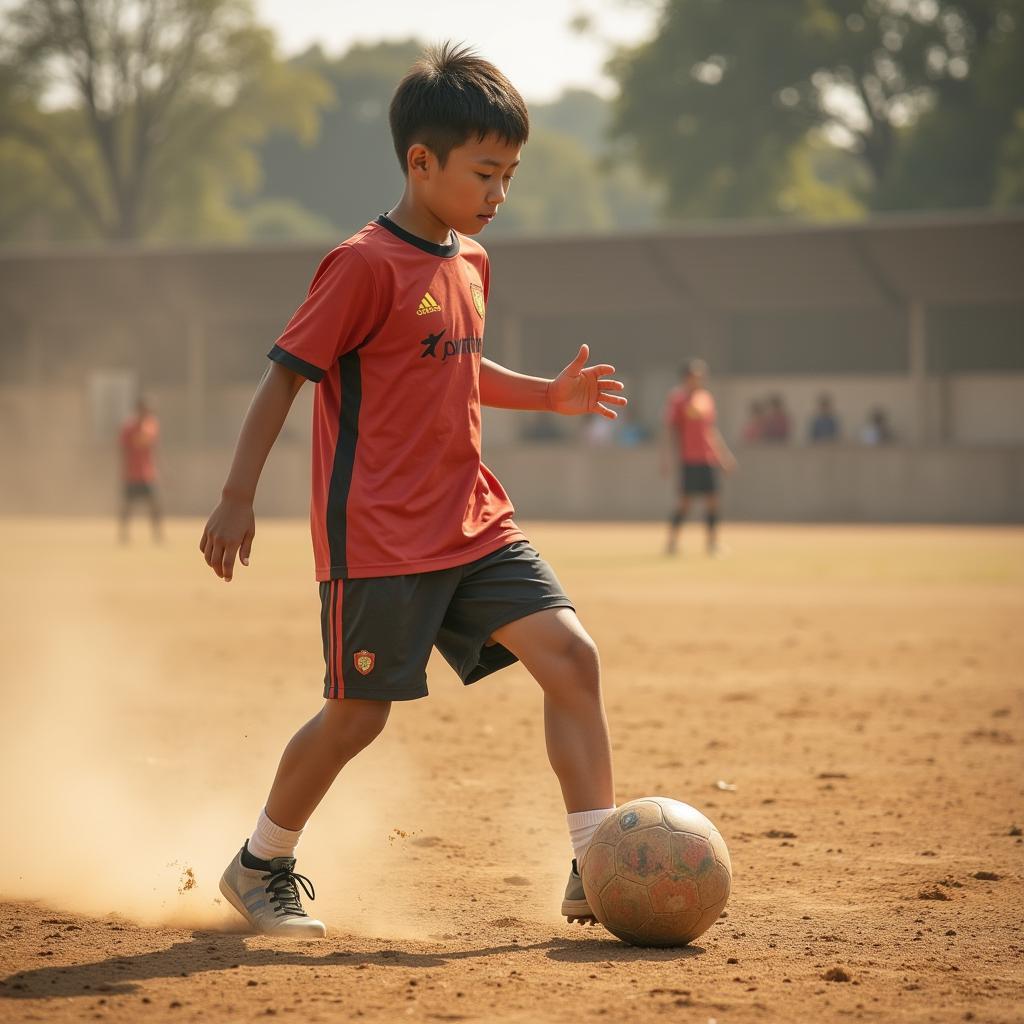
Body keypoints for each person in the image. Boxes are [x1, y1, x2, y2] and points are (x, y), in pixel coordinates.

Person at [199, 44, 627, 938]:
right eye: (484, 173)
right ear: (420, 162)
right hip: (381, 536)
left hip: (474, 521)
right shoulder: (359, 264)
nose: (498, 195)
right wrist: (238, 494)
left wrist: (544, 393)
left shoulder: (470, 260)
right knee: (358, 717)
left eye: (509, 175)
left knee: (572, 660)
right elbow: (284, 378)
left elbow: (458, 367)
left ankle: (597, 864)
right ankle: (259, 863)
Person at [662, 359, 736, 556]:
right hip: (689, 458)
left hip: (708, 458)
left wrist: (724, 456)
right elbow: (671, 430)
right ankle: (672, 542)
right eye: (696, 375)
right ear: (686, 376)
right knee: (685, 503)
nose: (700, 379)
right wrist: (667, 457)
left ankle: (712, 543)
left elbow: (710, 430)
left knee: (713, 501)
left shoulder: (706, 398)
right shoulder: (678, 399)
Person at [118, 396, 162, 543]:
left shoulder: (151, 425)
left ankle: (157, 535)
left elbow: (148, 441)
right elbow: (123, 447)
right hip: (131, 474)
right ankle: (123, 535)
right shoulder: (128, 427)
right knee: (127, 506)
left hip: (147, 473)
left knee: (154, 505)